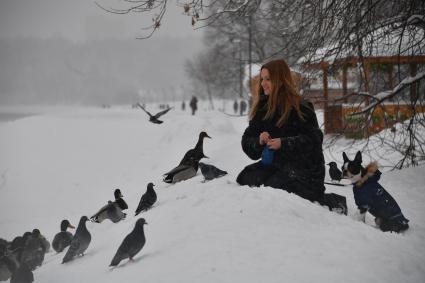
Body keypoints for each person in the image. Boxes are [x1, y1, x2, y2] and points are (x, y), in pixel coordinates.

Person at [236, 59, 328, 204]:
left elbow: (315, 141)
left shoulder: (301, 107)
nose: (263, 83)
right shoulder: (262, 109)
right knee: (246, 177)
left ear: (280, 80)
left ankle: (329, 203)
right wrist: (259, 141)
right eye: (262, 79)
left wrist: (283, 144)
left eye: (268, 79)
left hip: (305, 171)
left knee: (273, 189)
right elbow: (247, 141)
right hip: (278, 166)